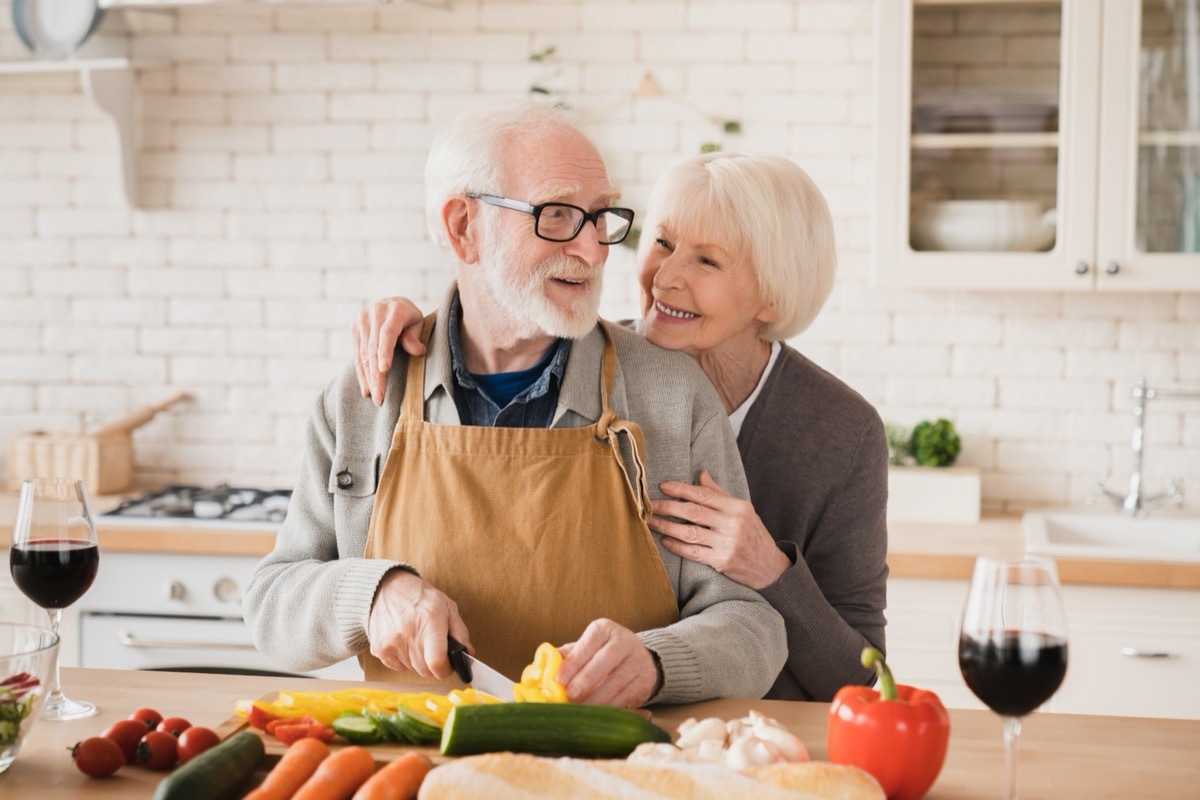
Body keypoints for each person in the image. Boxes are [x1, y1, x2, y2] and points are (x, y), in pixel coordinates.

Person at [243, 100, 787, 709]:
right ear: (462, 229)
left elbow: (753, 626)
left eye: (600, 216)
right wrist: (370, 595)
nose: (594, 250)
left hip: (616, 774)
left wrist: (659, 663)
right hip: (420, 772)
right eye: (557, 215)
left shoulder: (672, 396)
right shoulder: (364, 397)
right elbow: (270, 605)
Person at [352, 151, 889, 702]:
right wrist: (418, 327)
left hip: (765, 732)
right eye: (662, 243)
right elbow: (494, 315)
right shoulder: (584, 361)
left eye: (707, 262)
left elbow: (861, 677)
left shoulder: (844, 434)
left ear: (772, 295)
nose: (666, 278)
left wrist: (771, 570)